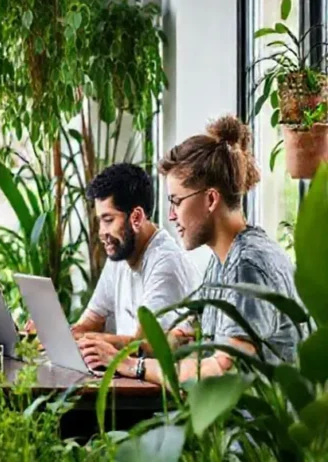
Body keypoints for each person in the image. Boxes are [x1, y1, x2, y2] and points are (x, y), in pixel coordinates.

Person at [80, 115, 301, 383]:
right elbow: (189, 340)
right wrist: (117, 349)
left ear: (210, 199)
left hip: (259, 424)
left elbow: (223, 369)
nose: (171, 216)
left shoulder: (249, 264)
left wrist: (131, 365)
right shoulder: (222, 263)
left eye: (176, 202)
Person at [68, 163, 199, 349]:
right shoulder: (121, 252)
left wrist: (83, 339)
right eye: (100, 221)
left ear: (136, 218)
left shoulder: (165, 262)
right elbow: (91, 321)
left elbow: (144, 345)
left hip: (152, 375)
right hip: (127, 374)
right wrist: (56, 335)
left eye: (108, 220)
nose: (101, 232)